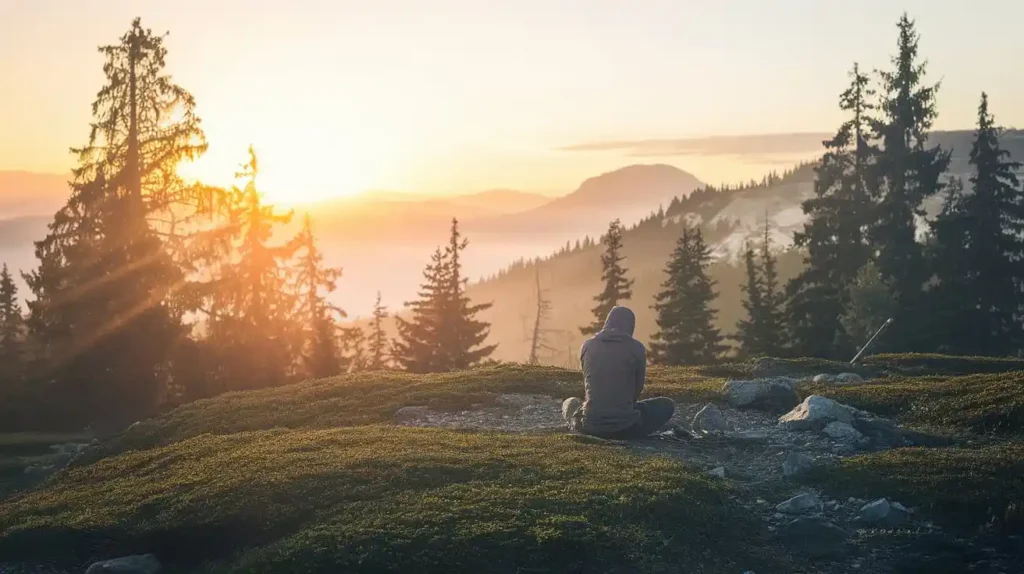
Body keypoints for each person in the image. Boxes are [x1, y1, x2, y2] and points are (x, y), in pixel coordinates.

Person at [562, 305, 676, 439]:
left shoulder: (588, 346)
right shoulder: (637, 348)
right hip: (627, 428)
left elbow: (589, 382)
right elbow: (637, 390)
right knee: (667, 404)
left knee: (570, 402)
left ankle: (576, 425)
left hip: (590, 426)